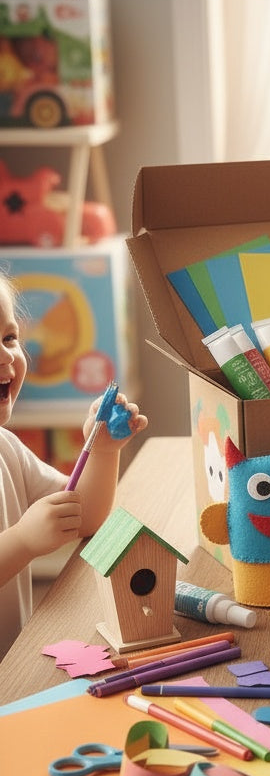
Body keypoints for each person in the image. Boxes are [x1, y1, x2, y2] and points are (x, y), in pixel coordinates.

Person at [0, 272, 148, 652]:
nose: (5, 357)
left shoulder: (6, 448)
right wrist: (21, 542)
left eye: (8, 338)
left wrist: (101, 451)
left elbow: (85, 516)